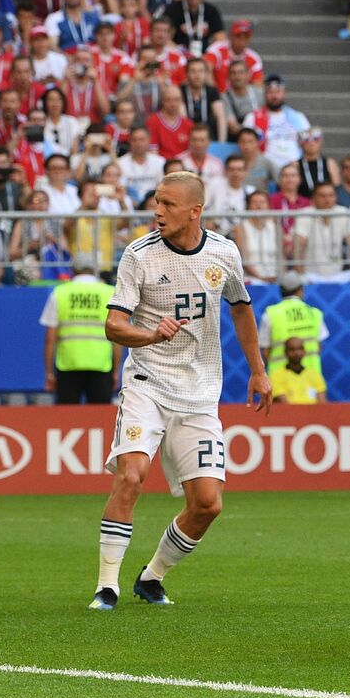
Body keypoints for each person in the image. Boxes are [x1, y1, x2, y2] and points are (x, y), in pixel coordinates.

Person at [89, 171, 271, 611]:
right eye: (156, 201)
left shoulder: (224, 252)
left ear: (195, 210)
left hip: (200, 394)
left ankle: (151, 577)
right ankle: (106, 586)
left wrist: (258, 370)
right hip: (147, 384)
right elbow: (113, 325)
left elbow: (242, 309)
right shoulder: (139, 254)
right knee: (130, 474)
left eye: (168, 204)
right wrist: (150, 335)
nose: (158, 210)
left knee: (207, 504)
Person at [39, 261, 118, 404]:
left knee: (66, 420)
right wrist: (116, 371)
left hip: (68, 365)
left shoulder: (60, 293)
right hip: (101, 365)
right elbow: (118, 337)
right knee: (99, 421)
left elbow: (50, 339)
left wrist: (49, 374)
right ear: (95, 270)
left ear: (73, 270)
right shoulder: (109, 293)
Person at [269, 336, 327, 404]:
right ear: (285, 352)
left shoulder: (315, 375)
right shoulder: (276, 375)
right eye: (292, 349)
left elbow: (322, 403)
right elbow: (283, 403)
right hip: (288, 413)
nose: (296, 353)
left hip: (313, 413)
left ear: (304, 351)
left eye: (300, 349)